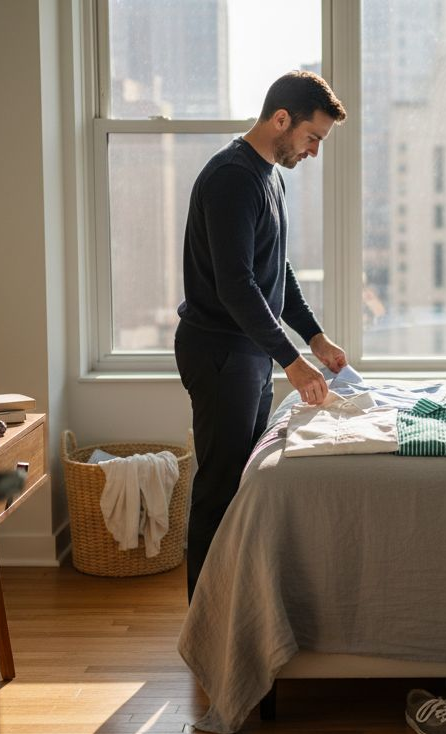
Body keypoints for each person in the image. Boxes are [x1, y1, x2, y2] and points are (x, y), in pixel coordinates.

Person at [174, 70, 348, 601]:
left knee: (244, 486)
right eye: (312, 137)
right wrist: (292, 362)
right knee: (219, 487)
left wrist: (314, 338)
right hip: (222, 352)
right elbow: (237, 286)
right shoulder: (232, 176)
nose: (314, 151)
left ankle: (231, 606)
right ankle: (204, 618)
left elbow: (277, 269)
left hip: (249, 352)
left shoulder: (270, 175)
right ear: (281, 119)